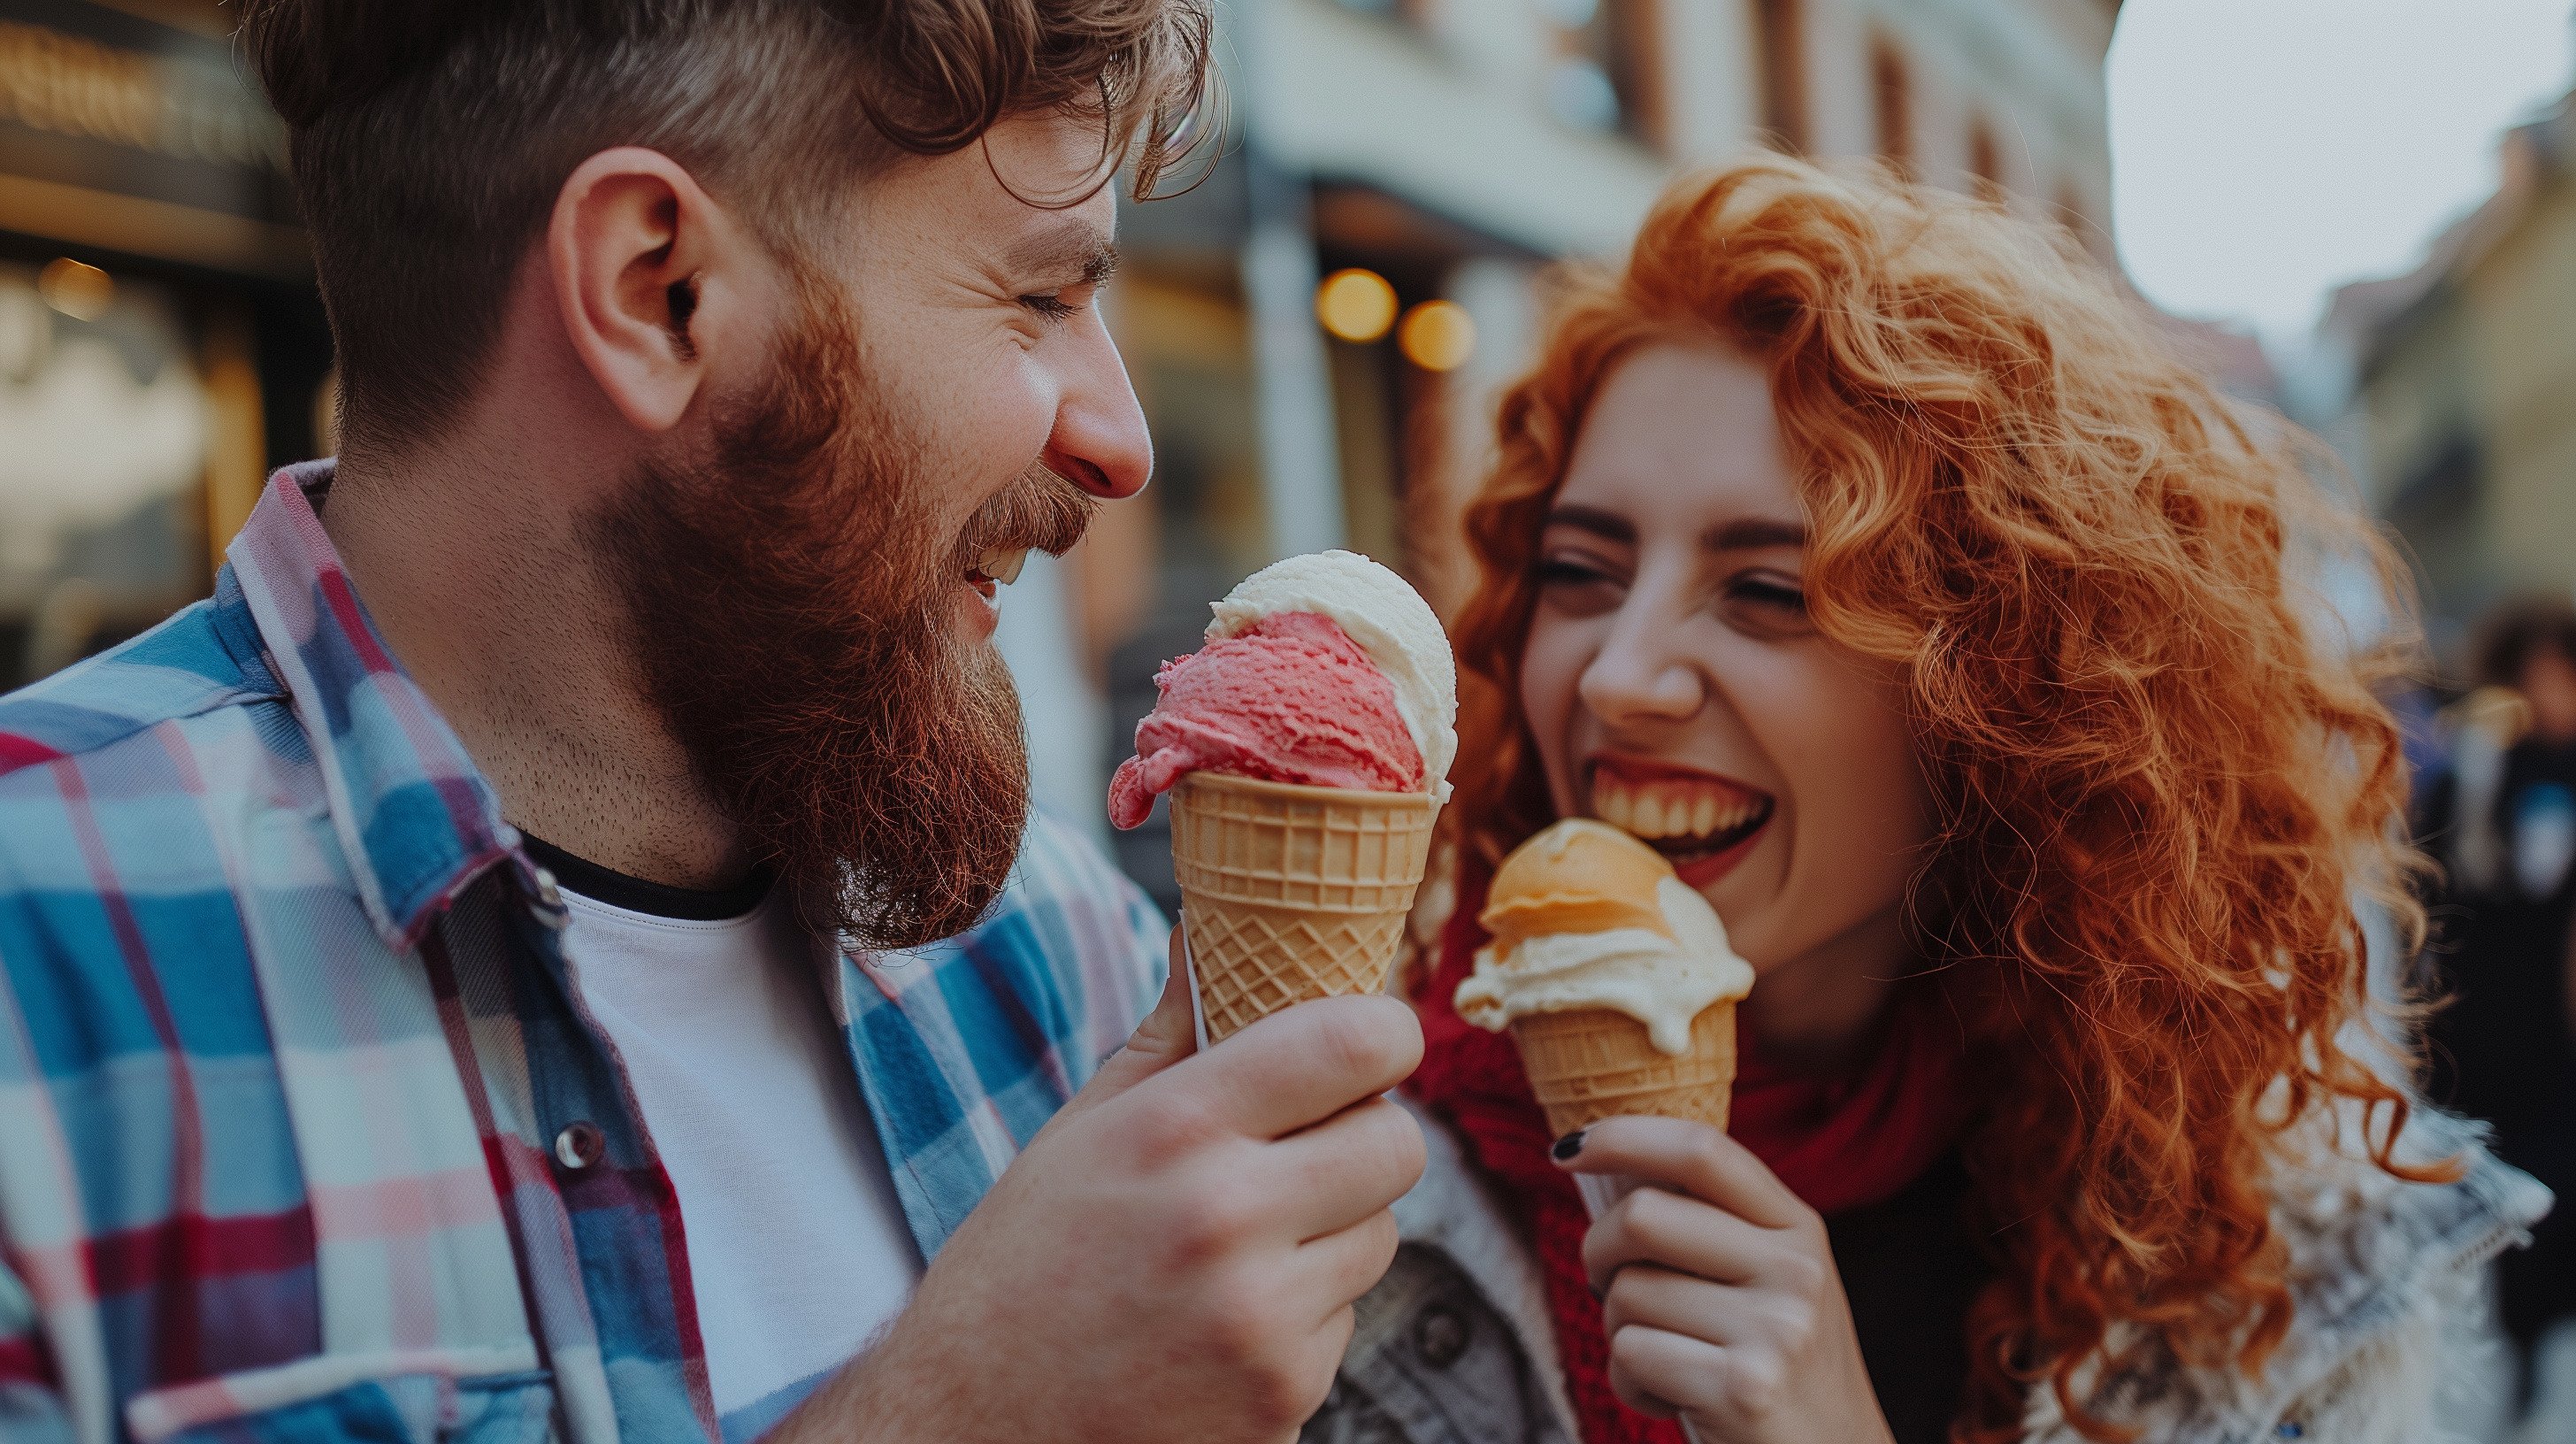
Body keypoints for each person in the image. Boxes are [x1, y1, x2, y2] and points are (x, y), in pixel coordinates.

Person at [0, 5, 1428, 1443]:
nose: (1123, 441)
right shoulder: (34, 979)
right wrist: (962, 1411)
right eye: (1039, 299)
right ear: (656, 287)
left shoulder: (1066, 956)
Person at [1300, 158, 2549, 1444]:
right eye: (1579, 571)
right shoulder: (1342, 1210)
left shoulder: (2261, 1264)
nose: (1618, 676)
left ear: (2007, 690)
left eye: (1771, 593)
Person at [2416, 597, 2576, 1420]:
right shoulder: (2475, 762)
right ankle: (2498, 1362)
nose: (2554, 693)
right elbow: (2425, 880)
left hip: (2556, 1034)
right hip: (2473, 1026)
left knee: (2554, 1204)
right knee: (2487, 1208)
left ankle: (2533, 1350)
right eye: (2540, 673)